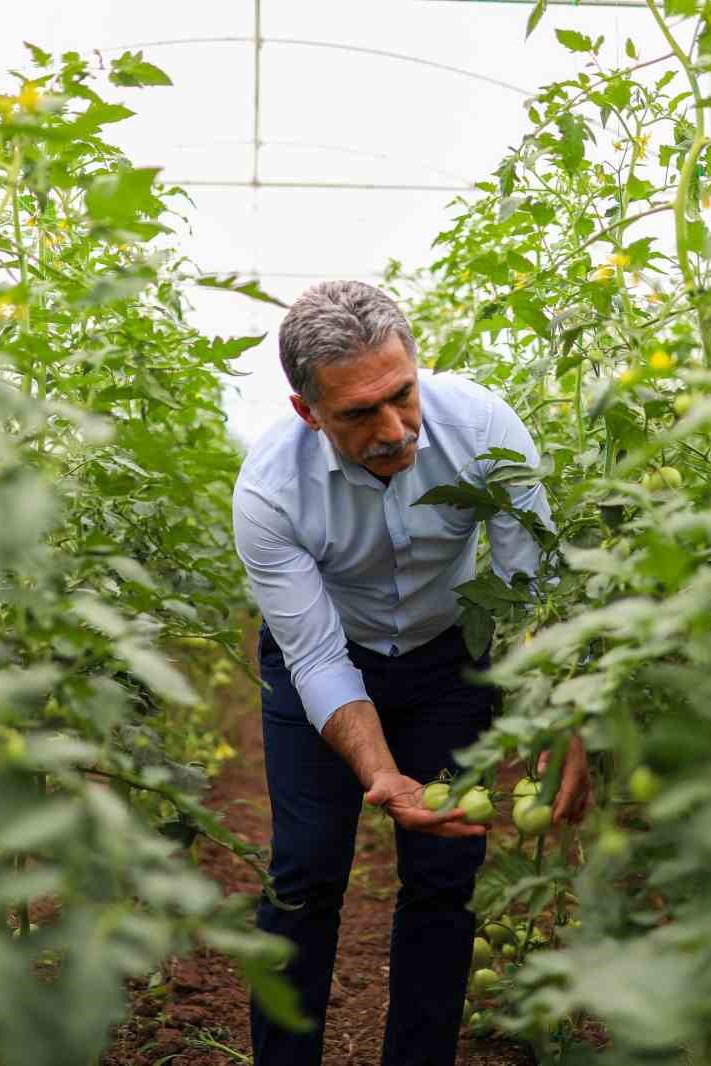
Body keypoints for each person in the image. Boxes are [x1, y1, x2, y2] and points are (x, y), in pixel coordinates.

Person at [231, 280, 592, 1066]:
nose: (393, 429)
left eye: (402, 394)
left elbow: (529, 594)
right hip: (323, 660)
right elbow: (318, 656)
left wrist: (555, 713)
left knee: (445, 874)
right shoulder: (270, 491)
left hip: (444, 654)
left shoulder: (488, 430)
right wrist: (380, 773)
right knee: (306, 871)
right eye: (359, 413)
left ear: (416, 367)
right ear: (308, 412)